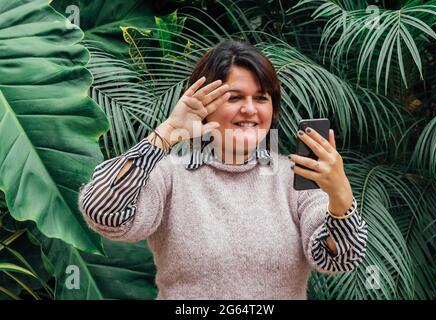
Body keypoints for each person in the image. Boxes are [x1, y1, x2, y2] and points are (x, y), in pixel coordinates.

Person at [78, 40, 368, 299]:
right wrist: (166, 133)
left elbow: (338, 258)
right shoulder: (171, 176)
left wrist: (340, 195)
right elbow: (105, 214)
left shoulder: (295, 179)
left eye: (261, 98)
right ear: (204, 105)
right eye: (235, 98)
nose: (250, 110)